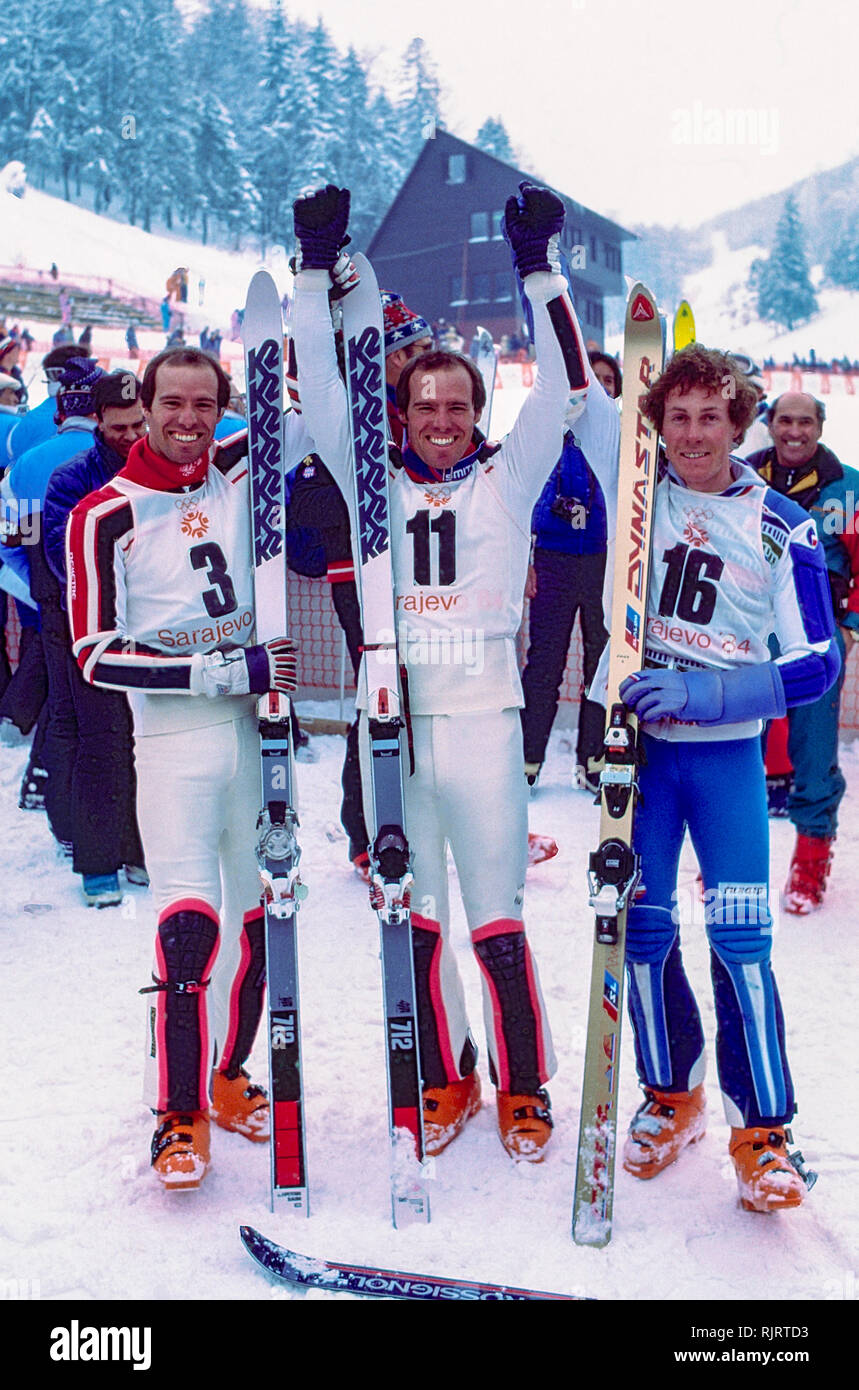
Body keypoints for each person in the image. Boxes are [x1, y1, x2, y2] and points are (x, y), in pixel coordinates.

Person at [292, 181, 588, 1162]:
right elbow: (316, 387)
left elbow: (567, 389)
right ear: (403, 410)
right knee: (411, 924)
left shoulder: (508, 479)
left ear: (475, 409)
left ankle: (524, 1087)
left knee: (495, 922)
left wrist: (538, 266)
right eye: (425, 404)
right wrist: (311, 268)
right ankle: (444, 1075)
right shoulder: (368, 481)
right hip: (396, 728)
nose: (441, 419)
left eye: (457, 404)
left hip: (482, 725)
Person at [598, 345, 838, 1213]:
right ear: (654, 425)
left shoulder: (780, 521)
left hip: (726, 757)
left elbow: (816, 662)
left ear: (741, 424)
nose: (693, 434)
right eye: (677, 417)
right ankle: (670, 1095)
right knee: (643, 934)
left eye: (711, 417)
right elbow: (576, 401)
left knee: (740, 946)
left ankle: (763, 1132)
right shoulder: (635, 498)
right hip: (642, 757)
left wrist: (706, 692)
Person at [65, 346, 299, 1189]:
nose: (188, 420)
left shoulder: (234, 465)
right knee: (187, 926)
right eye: (173, 402)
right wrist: (212, 671)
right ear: (146, 402)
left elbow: (300, 404)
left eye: (205, 404)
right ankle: (177, 1113)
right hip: (173, 740)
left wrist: (321, 279)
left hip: (255, 736)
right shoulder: (103, 514)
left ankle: (227, 1074)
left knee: (262, 919)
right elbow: (92, 653)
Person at [746, 392, 859, 912]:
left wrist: (851, 626)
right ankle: (732, 864)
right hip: (747, 633)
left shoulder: (847, 486)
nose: (795, 431)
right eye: (785, 420)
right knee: (738, 748)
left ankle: (809, 869)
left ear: (820, 426)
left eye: (805, 422)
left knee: (813, 755)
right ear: (769, 425)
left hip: (817, 636)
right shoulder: (742, 476)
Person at [43, 371, 149, 905]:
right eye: (118, 428)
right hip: (93, 631)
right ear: (97, 424)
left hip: (154, 629)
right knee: (101, 744)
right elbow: (67, 562)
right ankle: (97, 862)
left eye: (138, 425)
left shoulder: (165, 468)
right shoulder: (71, 479)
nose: (130, 436)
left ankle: (139, 848)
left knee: (148, 743)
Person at [520, 350, 619, 794]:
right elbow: (523, 495)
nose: (598, 388)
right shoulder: (550, 433)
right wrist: (554, 509)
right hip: (555, 561)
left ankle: (593, 757)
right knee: (545, 662)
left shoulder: (622, 437)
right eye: (590, 380)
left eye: (607, 381)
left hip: (604, 562)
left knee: (602, 663)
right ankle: (527, 756)